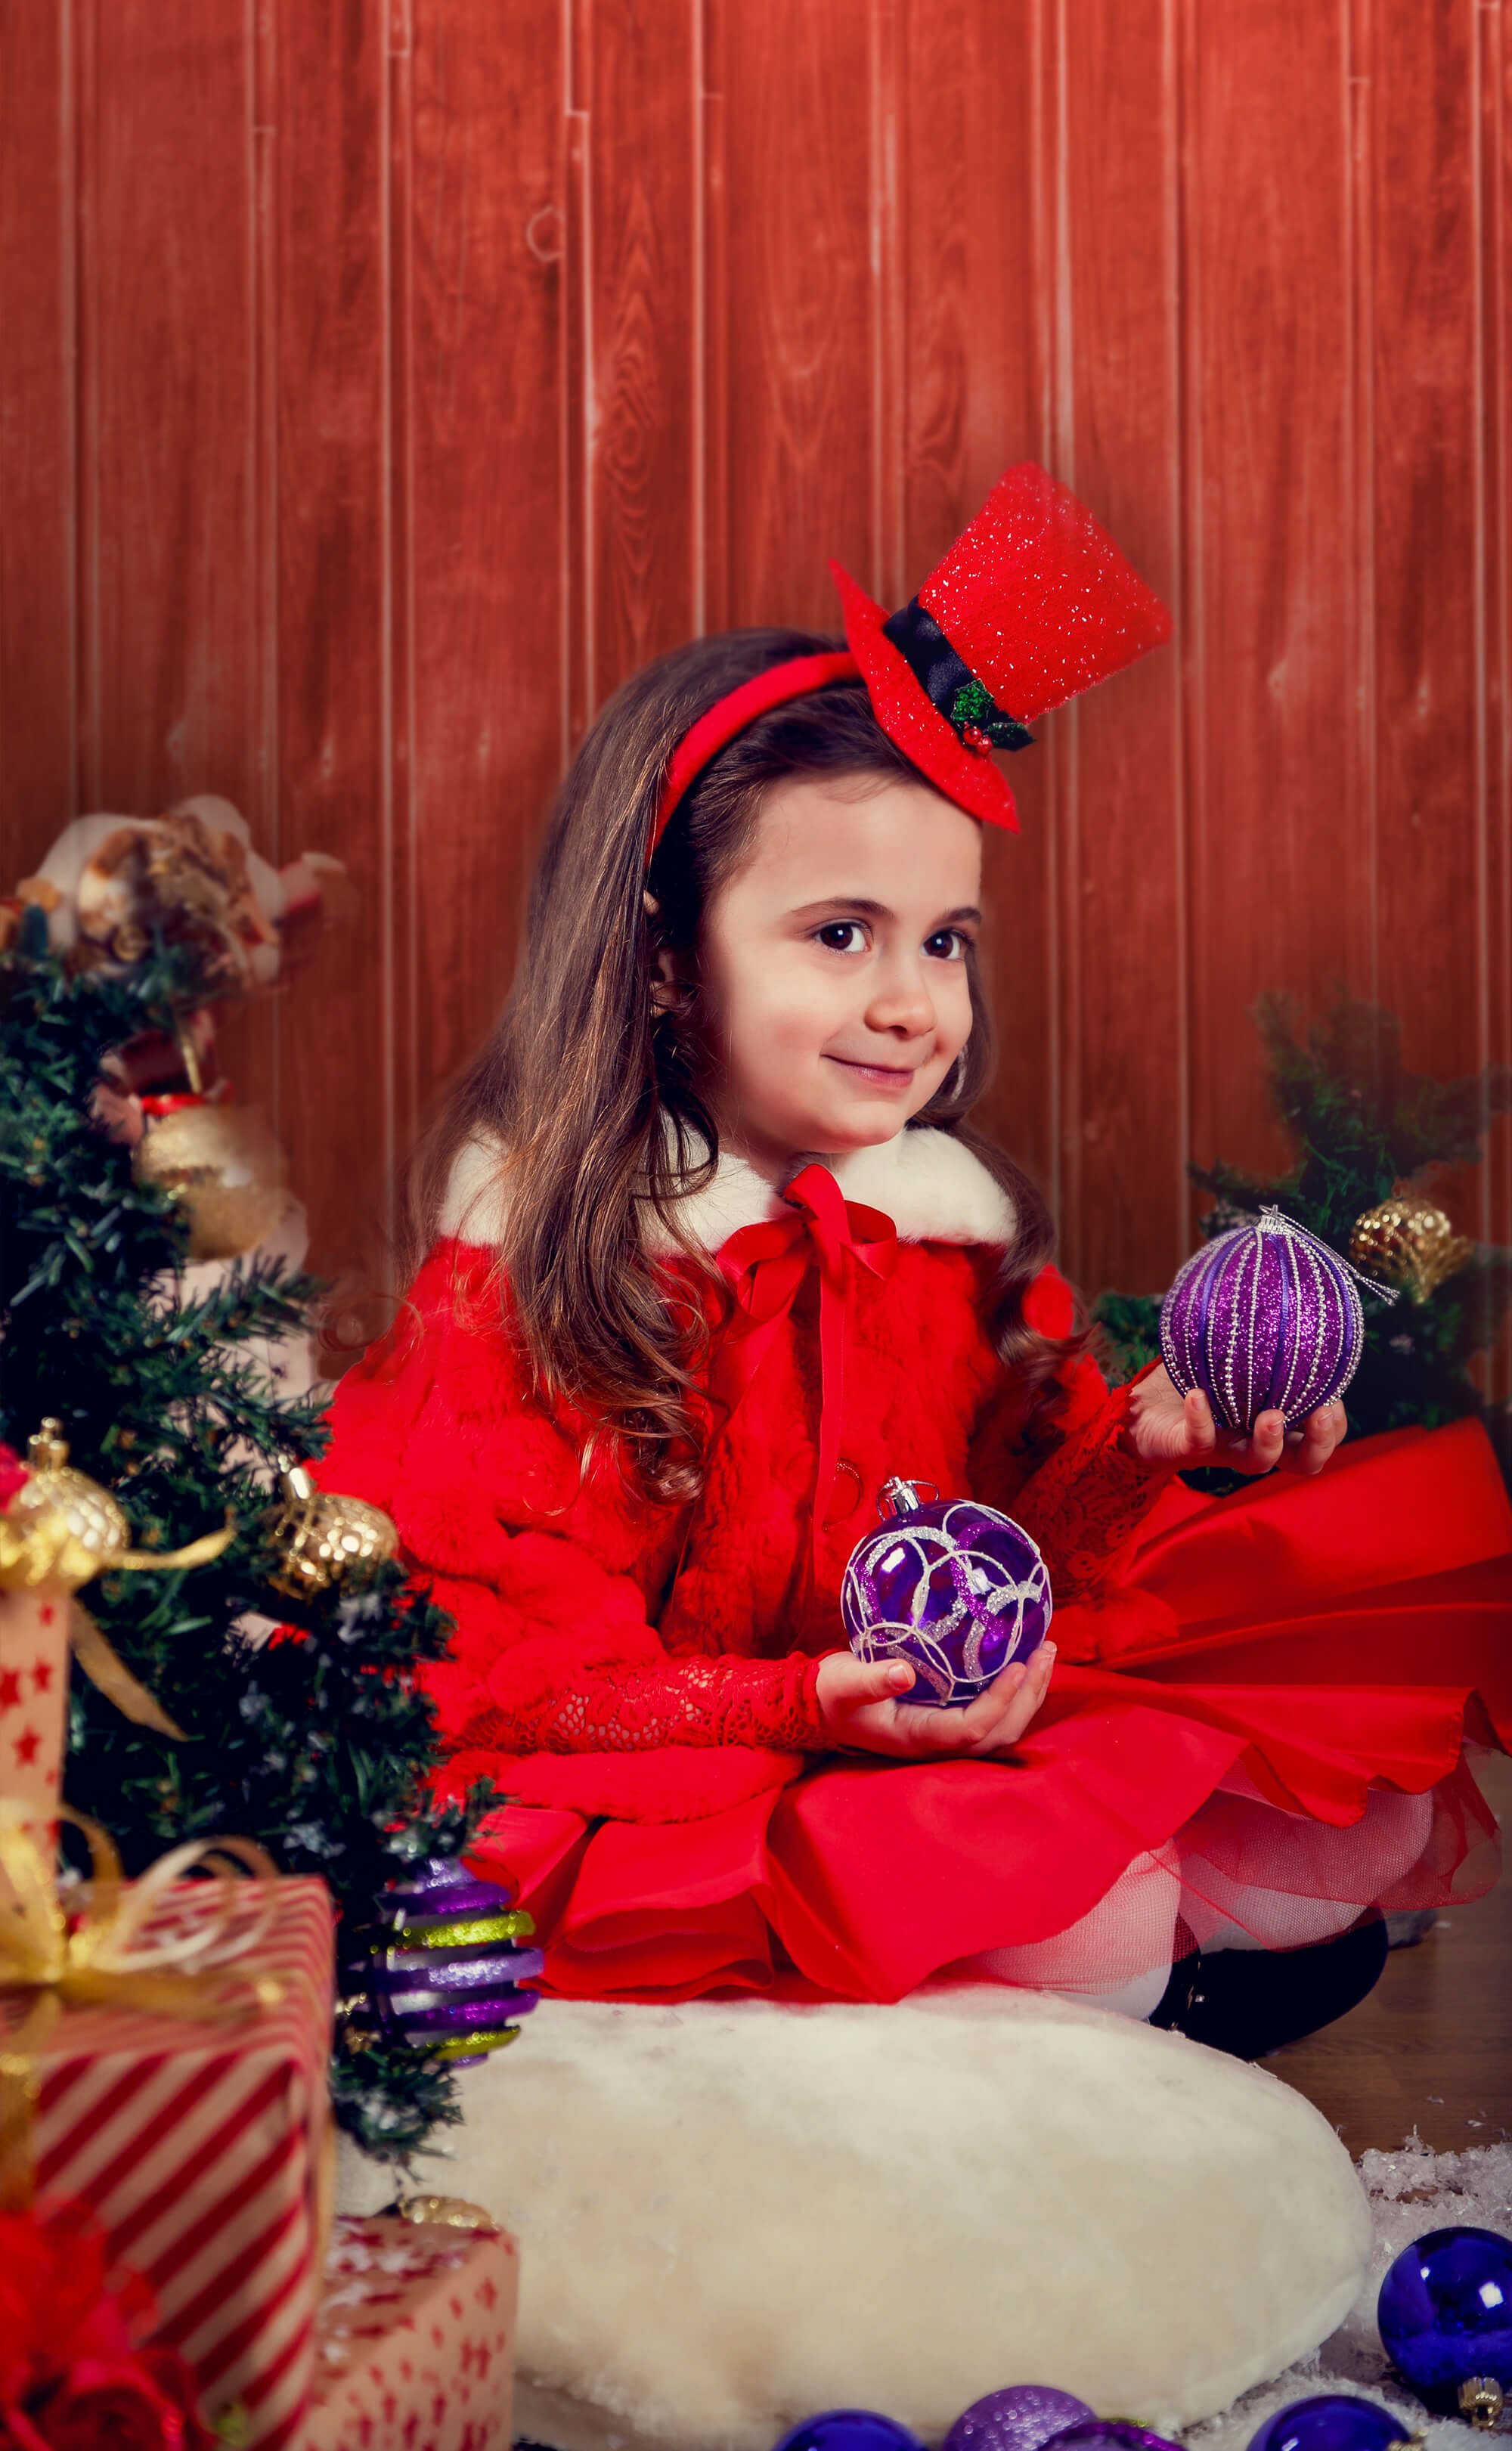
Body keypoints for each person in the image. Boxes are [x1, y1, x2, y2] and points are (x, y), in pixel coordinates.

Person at [320, 465, 1510, 2056]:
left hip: (874, 1725)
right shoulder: (537, 1283)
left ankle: (1079, 2004)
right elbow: (504, 1688)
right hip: (667, 1777)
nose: (911, 1002)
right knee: (1079, 1914)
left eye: (942, 939)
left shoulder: (918, 1232)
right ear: (666, 964)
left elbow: (1008, 1524)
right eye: (839, 933)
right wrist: (806, 1704)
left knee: (1304, 1853)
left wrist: (1144, 1450)